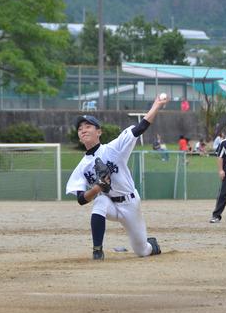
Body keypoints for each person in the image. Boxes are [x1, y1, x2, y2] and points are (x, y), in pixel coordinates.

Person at [66, 94, 168, 261]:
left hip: (130, 203)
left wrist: (156, 105)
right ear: (79, 136)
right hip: (110, 205)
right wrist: (97, 188)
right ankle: (97, 250)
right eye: (80, 128)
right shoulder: (82, 167)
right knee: (99, 201)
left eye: (88, 126)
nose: (83, 129)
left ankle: (152, 245)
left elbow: (140, 128)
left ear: (99, 132)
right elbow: (81, 200)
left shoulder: (113, 148)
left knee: (142, 251)